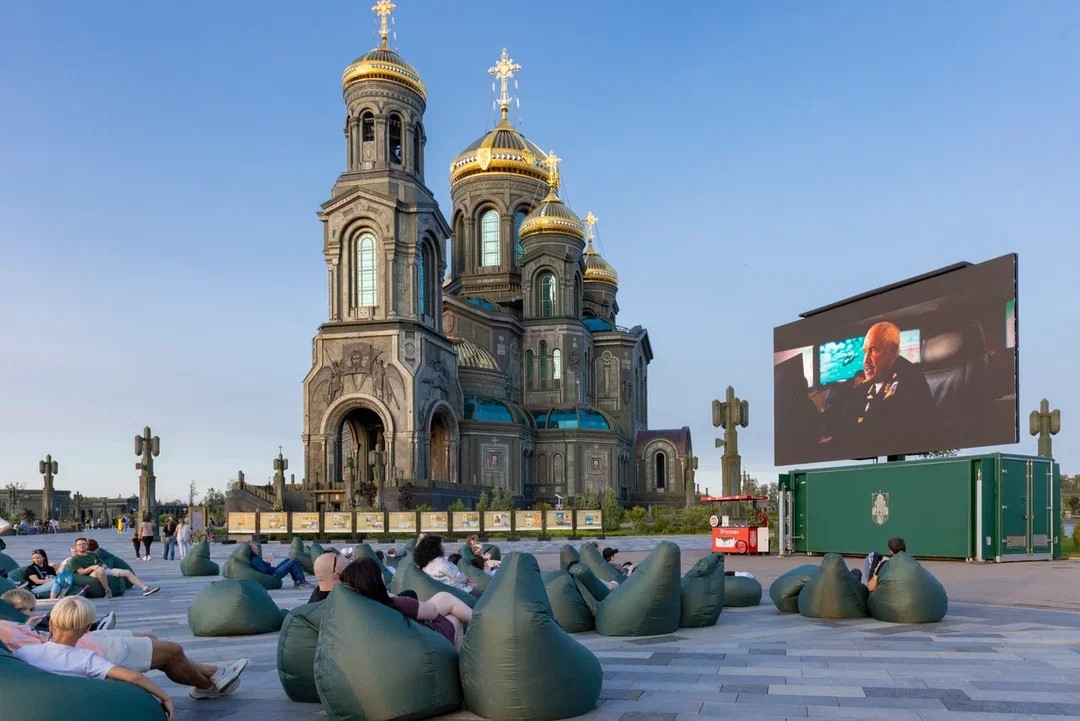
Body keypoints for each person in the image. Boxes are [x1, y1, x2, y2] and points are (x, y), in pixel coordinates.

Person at [341, 557, 472, 650]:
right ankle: (478, 624)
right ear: (376, 579)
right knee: (455, 618)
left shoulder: (364, 605)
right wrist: (405, 601)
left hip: (403, 640)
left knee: (443, 597)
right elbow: (432, 612)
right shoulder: (396, 603)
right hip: (424, 643)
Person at [844, 322, 936, 453]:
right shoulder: (864, 387)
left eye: (873, 350)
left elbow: (891, 436)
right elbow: (849, 423)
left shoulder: (909, 379)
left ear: (892, 351)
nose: (865, 360)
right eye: (865, 352)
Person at [67, 538, 160, 597]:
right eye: (79, 544)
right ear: (76, 547)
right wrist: (92, 567)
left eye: (84, 544)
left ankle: (145, 588)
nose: (82, 546)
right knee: (100, 570)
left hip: (104, 570)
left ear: (87, 545)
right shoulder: (74, 559)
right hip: (91, 574)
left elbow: (103, 564)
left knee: (127, 572)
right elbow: (81, 572)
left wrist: (102, 565)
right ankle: (107, 590)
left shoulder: (93, 555)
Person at [413, 535, 482, 598]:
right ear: (434, 549)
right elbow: (456, 576)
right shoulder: (440, 562)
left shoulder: (424, 565)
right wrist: (465, 579)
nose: (443, 547)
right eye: (440, 545)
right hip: (460, 590)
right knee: (483, 595)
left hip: (444, 592)